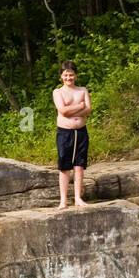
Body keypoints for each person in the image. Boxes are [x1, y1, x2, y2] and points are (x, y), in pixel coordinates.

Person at [52, 61, 91, 209]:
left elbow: (88, 110)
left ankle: (78, 198)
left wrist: (73, 109)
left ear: (76, 75)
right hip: (65, 132)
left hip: (81, 131)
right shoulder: (58, 92)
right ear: (61, 76)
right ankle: (63, 200)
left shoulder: (82, 90)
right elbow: (63, 111)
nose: (69, 77)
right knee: (64, 165)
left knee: (79, 165)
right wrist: (80, 105)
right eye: (66, 75)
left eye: (71, 74)